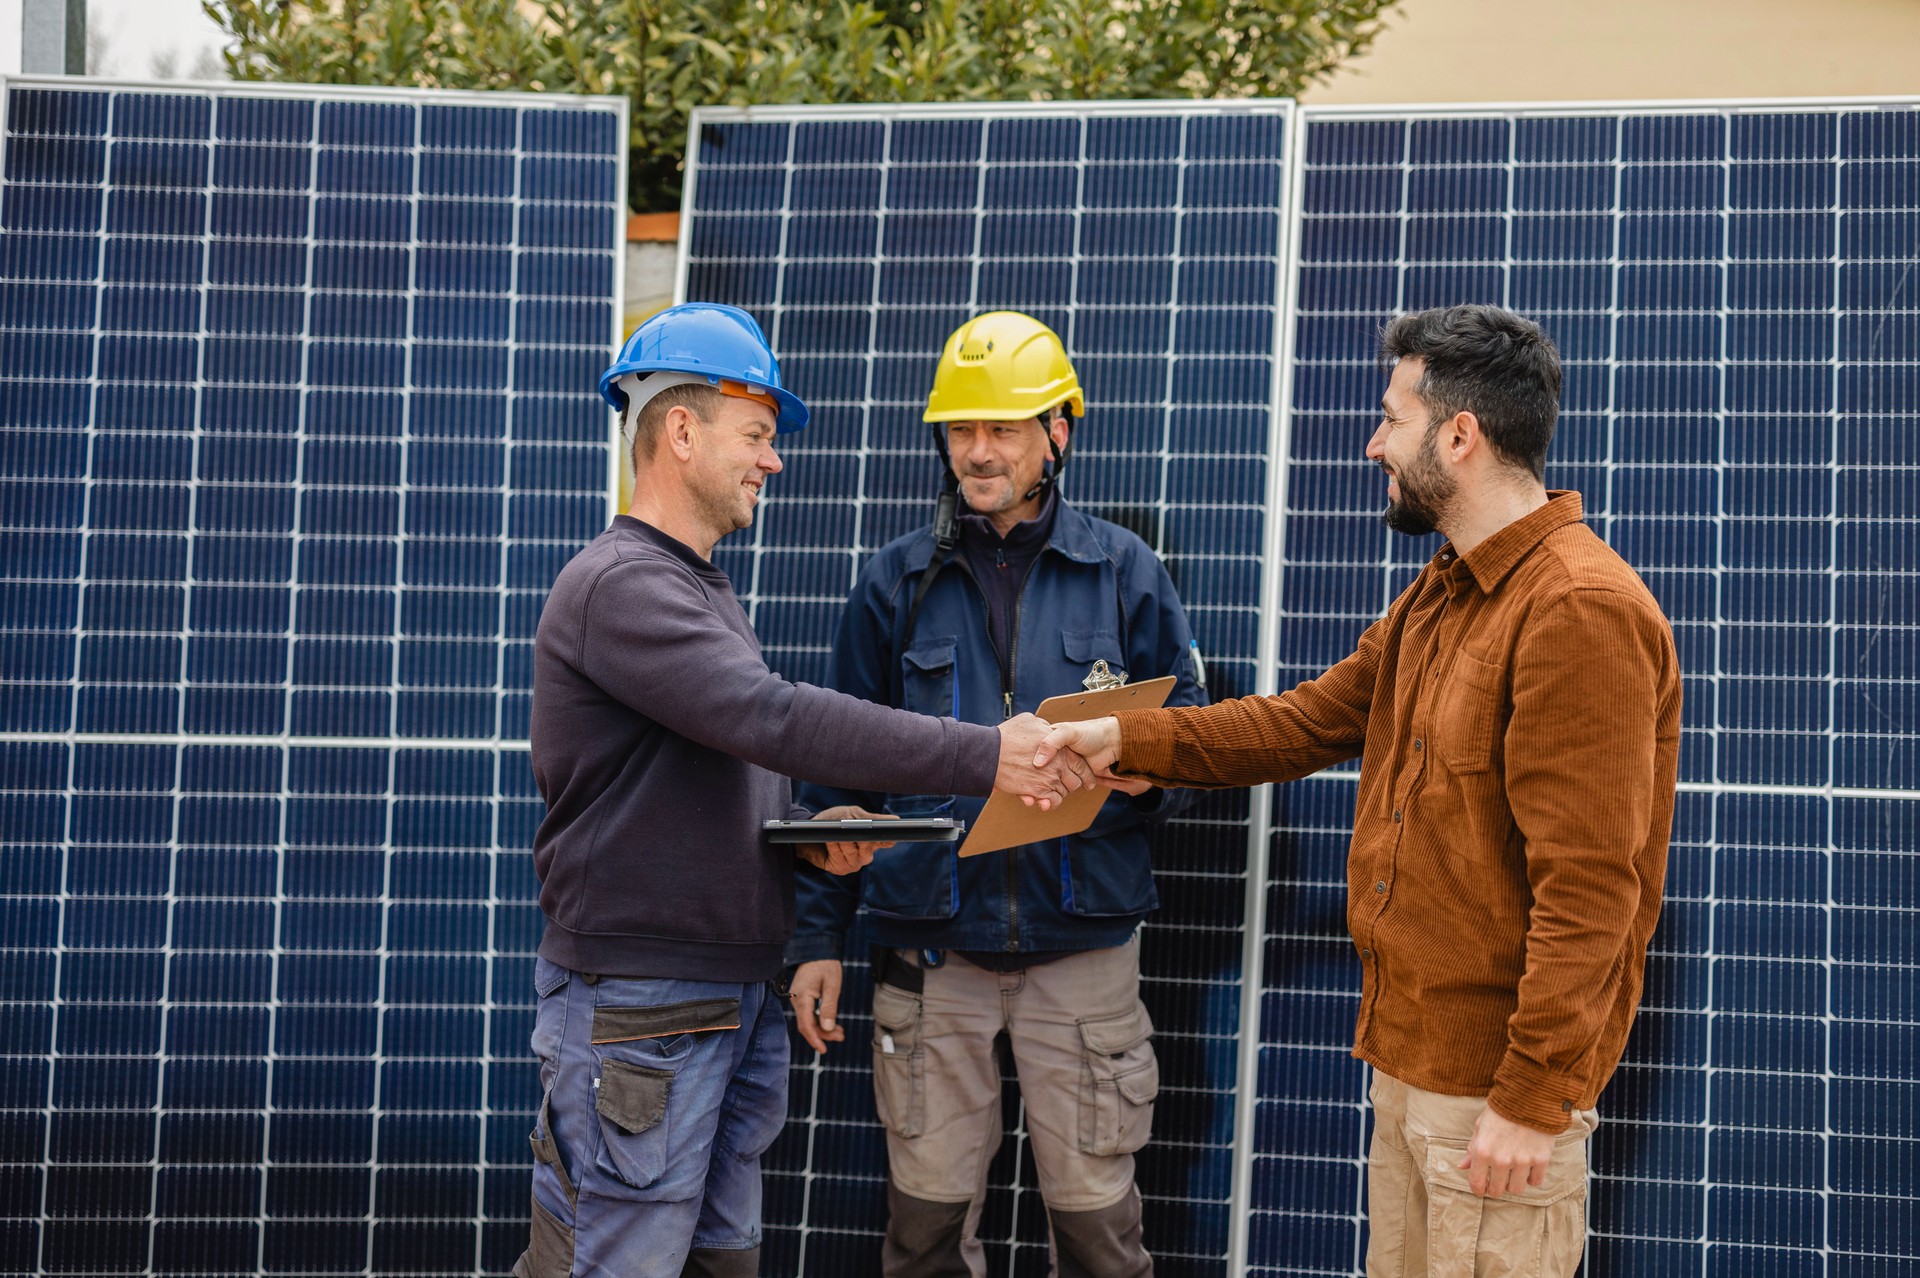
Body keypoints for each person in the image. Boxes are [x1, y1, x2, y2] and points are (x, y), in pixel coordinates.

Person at [1036, 305, 1682, 1277]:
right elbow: (1301, 723)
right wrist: (1123, 736)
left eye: (1393, 418)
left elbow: (1595, 894)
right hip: (1414, 1069)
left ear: (1459, 435)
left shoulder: (1578, 610)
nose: (1375, 443)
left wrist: (1529, 1099)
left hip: (1495, 1102)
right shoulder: (1443, 592)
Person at [515, 302, 1097, 1278]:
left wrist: (804, 829)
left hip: (720, 1001)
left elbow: (711, 769)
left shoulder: (701, 589)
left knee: (721, 1263)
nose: (772, 462)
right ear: (684, 429)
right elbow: (772, 717)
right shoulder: (620, 585)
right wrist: (989, 753)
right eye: (758, 435)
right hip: (646, 1014)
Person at [783, 311, 1206, 1278]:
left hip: (1085, 951)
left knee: (1101, 1238)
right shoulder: (892, 584)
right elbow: (833, 779)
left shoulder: (1126, 572)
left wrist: (1145, 778)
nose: (976, 451)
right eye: (960, 428)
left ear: (1058, 431)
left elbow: (1194, 738)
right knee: (924, 1235)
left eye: (1002, 427)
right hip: (932, 955)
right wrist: (815, 940)